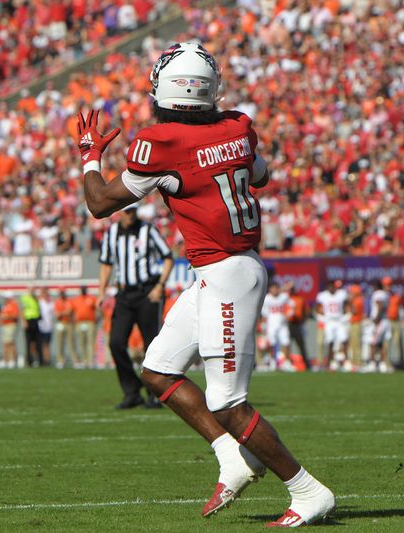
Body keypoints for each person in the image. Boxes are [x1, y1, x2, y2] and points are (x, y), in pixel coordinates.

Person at [72, 41, 334, 526]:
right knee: (157, 369)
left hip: (228, 272)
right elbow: (263, 177)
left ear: (164, 89)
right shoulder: (238, 125)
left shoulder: (160, 141)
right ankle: (232, 457)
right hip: (222, 269)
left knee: (228, 401)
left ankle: (307, 491)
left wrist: (89, 158)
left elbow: (100, 203)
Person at [98, 202, 174, 408]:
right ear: (119, 212)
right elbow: (106, 263)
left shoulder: (147, 230)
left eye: (133, 211)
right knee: (116, 342)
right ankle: (132, 390)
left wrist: (159, 286)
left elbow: (168, 257)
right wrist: (101, 291)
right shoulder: (111, 232)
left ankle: (155, 393)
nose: (130, 215)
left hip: (147, 291)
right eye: (127, 211)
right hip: (124, 294)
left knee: (152, 345)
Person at [315, 280, 351, 371]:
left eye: (332, 286)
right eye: (329, 286)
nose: (331, 288)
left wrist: (347, 315)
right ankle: (330, 361)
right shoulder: (323, 296)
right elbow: (317, 308)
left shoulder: (341, 294)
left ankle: (345, 361)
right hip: (329, 321)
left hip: (339, 320)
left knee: (344, 340)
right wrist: (320, 317)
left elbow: (347, 305)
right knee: (330, 342)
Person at [363, 277, 394, 373]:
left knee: (373, 342)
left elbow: (380, 306)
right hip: (384, 320)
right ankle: (382, 364)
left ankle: (372, 364)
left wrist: (377, 318)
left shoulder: (379, 294)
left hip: (380, 320)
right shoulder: (385, 294)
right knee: (380, 344)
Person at [261, 282, 294, 371]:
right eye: (273, 288)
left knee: (286, 342)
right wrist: (264, 325)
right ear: (270, 289)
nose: (275, 290)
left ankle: (287, 362)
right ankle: (273, 361)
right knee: (272, 343)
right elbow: (264, 313)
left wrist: (289, 314)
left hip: (282, 323)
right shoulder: (267, 298)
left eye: (276, 288)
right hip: (271, 323)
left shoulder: (283, 297)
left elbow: (292, 306)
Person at [284, 280, 311, 371]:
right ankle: (287, 363)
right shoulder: (285, 298)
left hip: (297, 324)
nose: (291, 291)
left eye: (292, 289)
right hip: (287, 324)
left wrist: (303, 321)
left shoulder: (300, 298)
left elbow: (306, 311)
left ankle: (307, 365)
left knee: (301, 345)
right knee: (286, 344)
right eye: (290, 289)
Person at [72, 286, 99, 369]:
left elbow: (97, 309)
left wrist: (96, 319)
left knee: (90, 342)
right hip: (79, 323)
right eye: (82, 289)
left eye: (84, 289)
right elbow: (72, 311)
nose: (83, 290)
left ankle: (90, 361)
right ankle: (84, 360)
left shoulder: (91, 298)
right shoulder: (76, 299)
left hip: (90, 322)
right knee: (81, 342)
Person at [19, 288, 44, 367]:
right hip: (28, 321)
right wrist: (24, 321)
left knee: (38, 342)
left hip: (36, 322)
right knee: (28, 343)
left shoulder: (36, 298)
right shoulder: (24, 298)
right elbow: (21, 310)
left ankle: (41, 361)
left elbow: (38, 310)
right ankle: (29, 361)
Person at [54, 289, 77, 368]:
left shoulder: (69, 301)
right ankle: (60, 360)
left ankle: (75, 360)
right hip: (61, 323)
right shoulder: (57, 302)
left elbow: (70, 311)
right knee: (60, 343)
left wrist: (61, 313)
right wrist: (64, 313)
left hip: (69, 323)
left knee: (71, 342)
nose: (62, 294)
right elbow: (57, 315)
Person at [0, 296, 20, 368]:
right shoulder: (5, 306)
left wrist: (6, 317)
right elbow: (1, 315)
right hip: (5, 325)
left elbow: (15, 316)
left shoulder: (13, 304)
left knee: (10, 342)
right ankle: (7, 359)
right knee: (6, 343)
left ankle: (12, 360)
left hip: (10, 325)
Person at [347, 284, 365, 369]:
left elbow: (354, 311)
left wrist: (350, 302)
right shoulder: (357, 299)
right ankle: (354, 361)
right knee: (353, 343)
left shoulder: (358, 300)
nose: (350, 293)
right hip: (354, 323)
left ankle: (357, 362)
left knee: (356, 343)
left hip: (357, 323)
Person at [38, 288, 55, 366]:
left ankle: (47, 359)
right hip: (41, 326)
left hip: (49, 326)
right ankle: (43, 359)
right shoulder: (39, 302)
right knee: (42, 344)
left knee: (47, 344)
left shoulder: (51, 302)